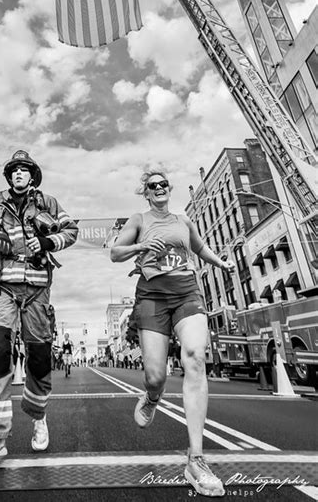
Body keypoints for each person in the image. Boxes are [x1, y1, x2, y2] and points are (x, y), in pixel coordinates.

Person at [110, 164, 235, 498]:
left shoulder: (184, 221)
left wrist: (220, 262)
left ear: (169, 188)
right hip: (151, 296)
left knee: (196, 356)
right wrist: (140, 248)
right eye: (153, 185)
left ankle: (196, 459)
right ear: (147, 192)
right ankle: (152, 396)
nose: (159, 188)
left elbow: (199, 248)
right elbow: (114, 253)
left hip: (186, 292)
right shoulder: (138, 219)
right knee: (155, 376)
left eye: (164, 184)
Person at [0, 149, 78, 459]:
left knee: (40, 355)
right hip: (2, 287)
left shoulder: (48, 203)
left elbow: (71, 231)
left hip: (35, 289)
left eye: (24, 169)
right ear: (9, 176)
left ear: (32, 175)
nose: (19, 173)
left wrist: (47, 242)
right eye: (14, 169)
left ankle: (39, 417)